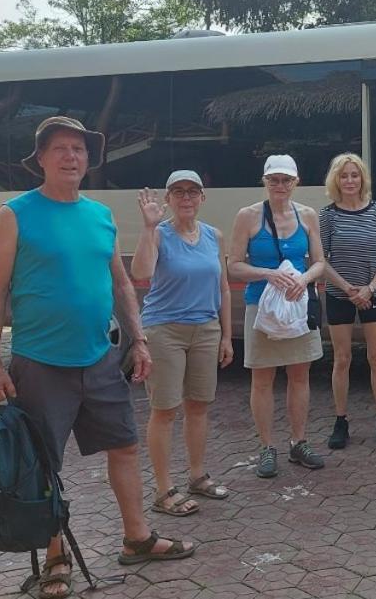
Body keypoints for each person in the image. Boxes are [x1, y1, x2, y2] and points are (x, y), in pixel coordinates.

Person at [0, 116, 194, 599]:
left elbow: (120, 282)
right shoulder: (15, 215)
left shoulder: (99, 214)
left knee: (124, 447)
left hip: (100, 357)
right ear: (40, 159)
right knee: (44, 464)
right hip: (40, 363)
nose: (70, 156)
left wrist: (138, 341)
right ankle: (56, 558)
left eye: (78, 148)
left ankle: (137, 537)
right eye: (59, 148)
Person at [131, 170, 235, 518]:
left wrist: (225, 334)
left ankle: (197, 475)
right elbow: (141, 273)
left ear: (202, 198)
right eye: (179, 192)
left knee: (199, 406)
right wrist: (147, 227)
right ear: (168, 198)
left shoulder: (214, 236)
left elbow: (222, 288)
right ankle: (163, 490)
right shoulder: (159, 234)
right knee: (164, 410)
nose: (186, 198)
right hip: (165, 331)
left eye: (192, 192)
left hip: (205, 329)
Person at [228, 155, 327, 478]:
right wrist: (267, 274)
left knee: (300, 375)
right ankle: (266, 447)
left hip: (298, 306)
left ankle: (299, 441)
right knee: (263, 379)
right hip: (262, 307)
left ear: (296, 182)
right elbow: (234, 265)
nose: (280, 186)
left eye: (286, 180)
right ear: (265, 181)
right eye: (274, 180)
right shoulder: (248, 216)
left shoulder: (308, 216)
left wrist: (304, 279)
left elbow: (319, 262)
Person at [318, 153, 376, 449]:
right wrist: (349, 290)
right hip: (340, 295)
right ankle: (340, 421)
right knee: (342, 359)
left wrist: (370, 288)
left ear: (362, 178)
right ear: (336, 180)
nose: (350, 180)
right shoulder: (327, 215)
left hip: (374, 295)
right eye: (344, 176)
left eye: (354, 175)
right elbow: (321, 260)